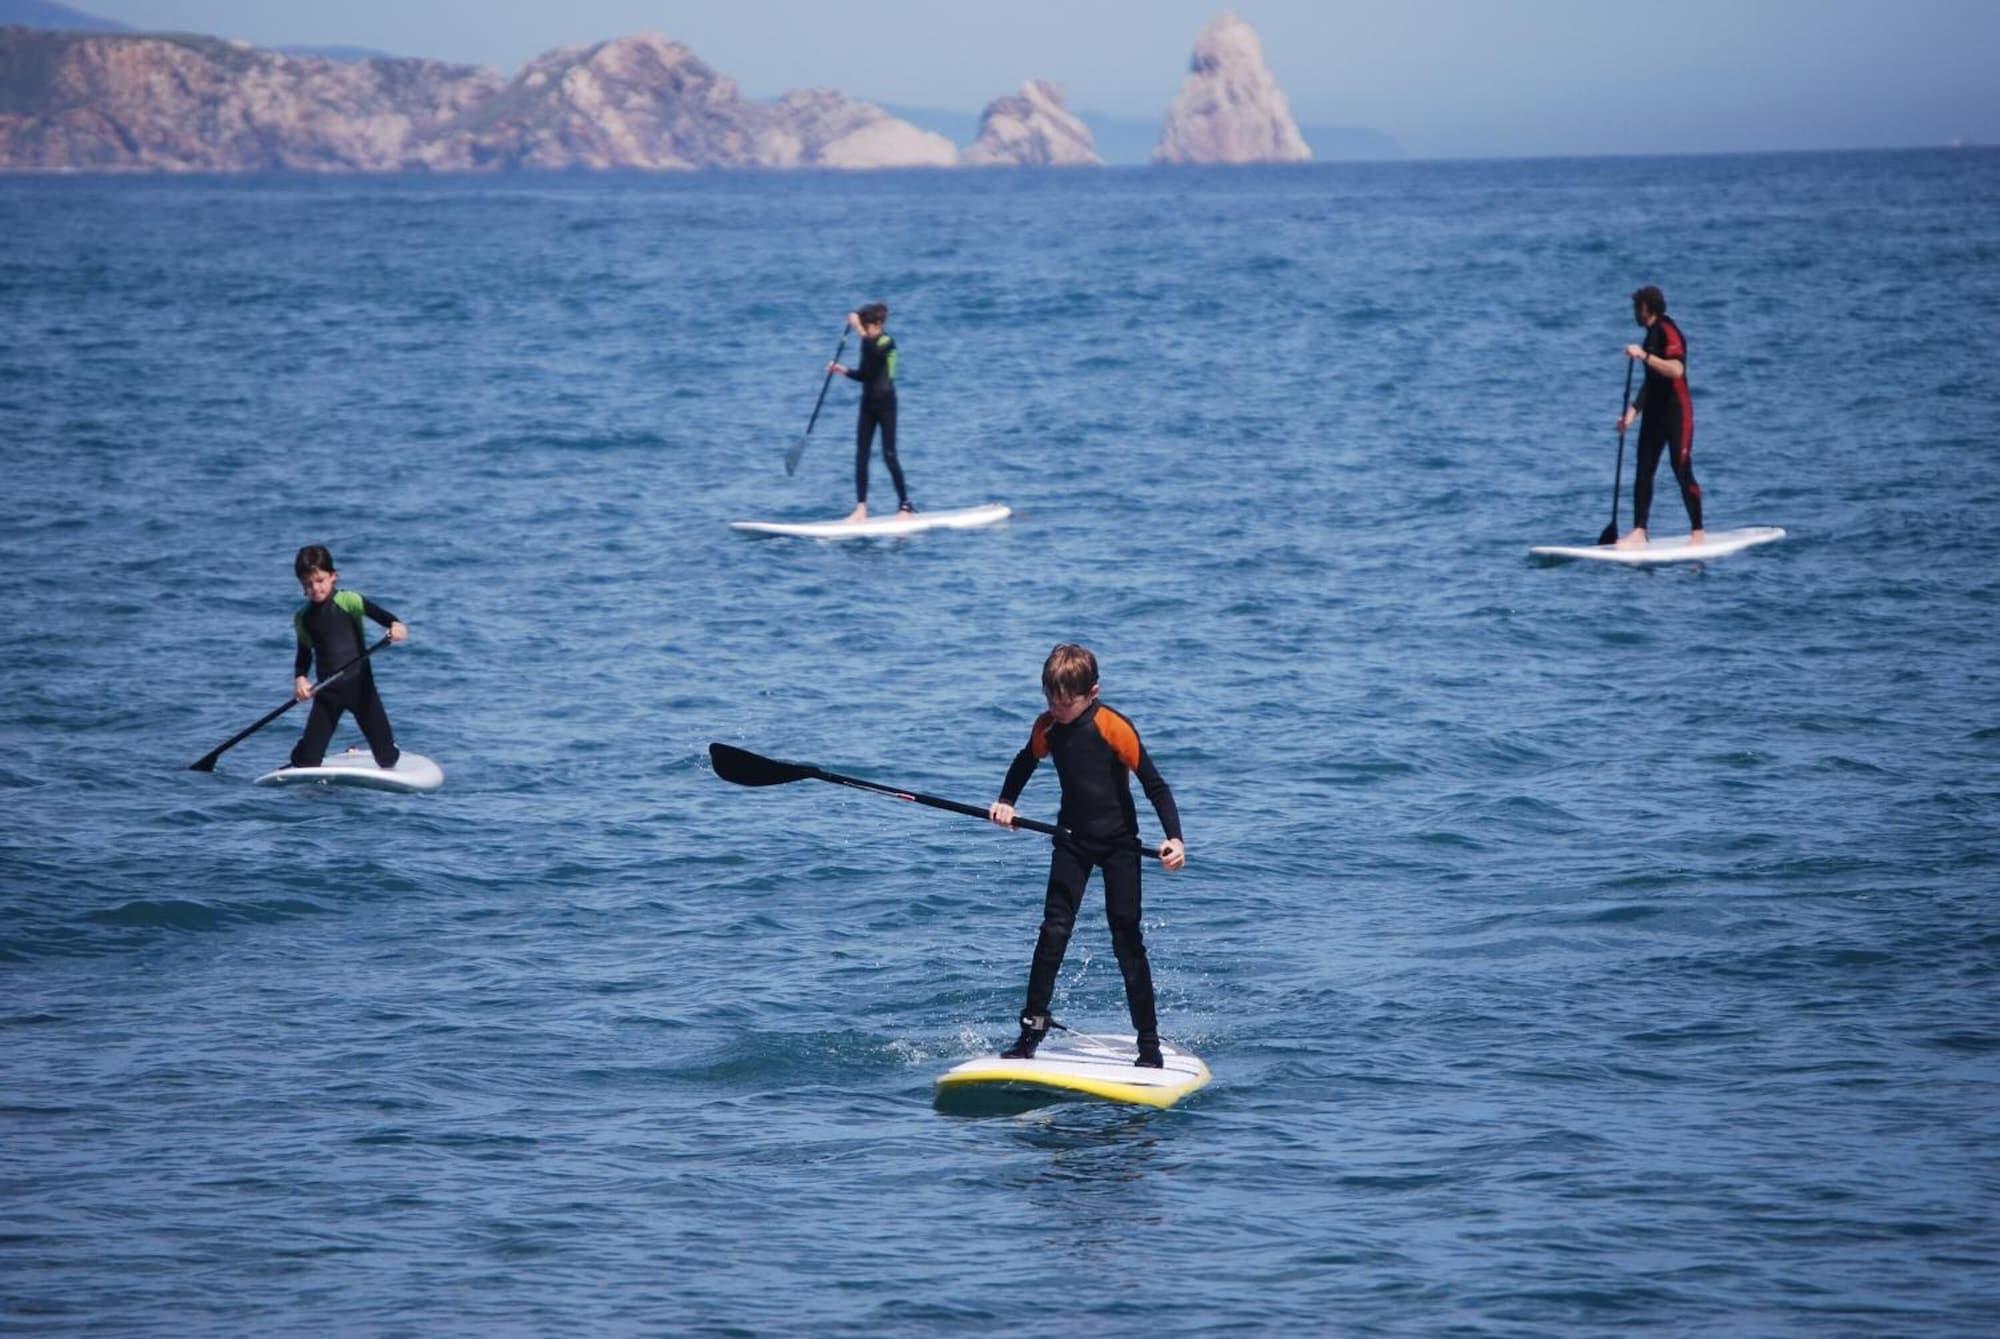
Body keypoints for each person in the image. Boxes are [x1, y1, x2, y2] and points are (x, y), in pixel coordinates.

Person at [987, 644, 1187, 1067]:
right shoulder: (1048, 728)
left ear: (1091, 692)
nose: (1056, 710)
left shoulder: (1114, 727)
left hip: (1119, 845)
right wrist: (1006, 802)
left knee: (1126, 939)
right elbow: (1025, 761)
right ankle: (1030, 1035)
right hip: (1072, 839)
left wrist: (1174, 839)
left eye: (1066, 703)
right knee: (1053, 931)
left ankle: (1148, 1045)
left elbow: (1155, 784)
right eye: (1050, 701)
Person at [289, 544, 406, 769]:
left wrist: (397, 628)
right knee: (307, 762)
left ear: (334, 576)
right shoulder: (303, 618)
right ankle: (303, 748)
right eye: (308, 584)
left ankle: (387, 746)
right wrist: (300, 680)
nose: (315, 588)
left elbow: (390, 619)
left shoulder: (349, 601)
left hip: (362, 691)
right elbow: (303, 657)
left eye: (320, 580)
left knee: (388, 760)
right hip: (327, 694)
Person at [1616, 285, 1704, 548]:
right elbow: (1650, 383)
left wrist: (1645, 356)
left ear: (1647, 308)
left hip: (1677, 413)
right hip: (1654, 414)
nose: (1634, 313)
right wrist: (1631, 415)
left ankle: (1697, 531)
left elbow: (1676, 370)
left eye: (1636, 308)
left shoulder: (1668, 330)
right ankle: (1639, 531)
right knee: (1643, 470)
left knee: (1681, 469)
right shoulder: (1650, 336)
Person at [826, 302, 913, 523]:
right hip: (867, 405)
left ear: (879, 324)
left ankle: (905, 506)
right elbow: (865, 375)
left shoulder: (886, 341)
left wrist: (858, 328)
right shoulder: (867, 342)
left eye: (870, 327)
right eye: (865, 327)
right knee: (861, 454)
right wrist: (841, 370)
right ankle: (861, 509)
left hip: (886, 405)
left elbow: (874, 349)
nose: (868, 331)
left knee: (889, 454)